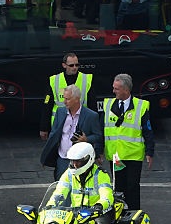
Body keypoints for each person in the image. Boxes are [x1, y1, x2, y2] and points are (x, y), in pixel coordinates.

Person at [102, 74, 154, 210]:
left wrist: (150, 152)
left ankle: (134, 213)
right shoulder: (108, 105)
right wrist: (98, 151)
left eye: (117, 89)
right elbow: (102, 130)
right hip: (116, 156)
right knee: (118, 187)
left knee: (132, 186)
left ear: (126, 90)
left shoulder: (140, 106)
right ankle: (119, 214)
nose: (114, 91)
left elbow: (148, 131)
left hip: (133, 156)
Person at [41, 85, 104, 179]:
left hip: (80, 159)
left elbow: (98, 136)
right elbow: (54, 134)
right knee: (61, 186)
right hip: (62, 158)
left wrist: (86, 139)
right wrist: (45, 157)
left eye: (68, 99)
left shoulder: (91, 116)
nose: (64, 101)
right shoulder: (60, 112)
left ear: (77, 99)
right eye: (64, 98)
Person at [48, 142, 115, 219]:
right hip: (75, 215)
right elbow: (59, 192)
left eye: (78, 161)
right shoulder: (69, 173)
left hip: (95, 216)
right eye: (73, 161)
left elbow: (107, 196)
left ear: (88, 159)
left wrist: (99, 206)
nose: (75, 165)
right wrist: (50, 206)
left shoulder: (100, 174)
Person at [42, 53, 93, 138]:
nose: (74, 67)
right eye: (71, 65)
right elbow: (47, 105)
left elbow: (92, 105)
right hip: (59, 124)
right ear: (64, 65)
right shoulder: (54, 80)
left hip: (81, 123)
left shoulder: (86, 79)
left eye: (77, 65)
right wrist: (44, 127)